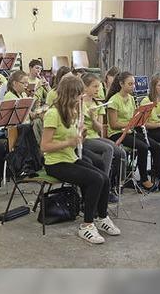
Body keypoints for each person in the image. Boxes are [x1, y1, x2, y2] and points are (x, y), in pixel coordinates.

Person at [41, 76, 119, 244]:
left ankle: (102, 217)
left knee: (104, 178)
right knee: (95, 180)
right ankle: (87, 225)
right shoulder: (53, 114)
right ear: (70, 94)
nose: (80, 98)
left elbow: (74, 141)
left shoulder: (72, 111)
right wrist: (70, 142)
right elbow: (45, 146)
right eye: (78, 95)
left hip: (70, 157)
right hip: (55, 163)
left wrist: (80, 137)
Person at [105, 71, 160, 193]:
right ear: (121, 84)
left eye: (134, 83)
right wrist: (133, 122)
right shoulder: (114, 100)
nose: (133, 86)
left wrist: (138, 119)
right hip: (117, 133)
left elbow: (135, 117)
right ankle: (144, 179)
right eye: (130, 84)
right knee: (143, 147)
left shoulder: (131, 98)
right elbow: (114, 124)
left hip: (130, 131)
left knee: (154, 145)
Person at [80, 73, 124, 201]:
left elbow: (99, 128)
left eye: (98, 87)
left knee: (120, 152)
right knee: (108, 149)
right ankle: (103, 186)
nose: (98, 90)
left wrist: (93, 118)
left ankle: (115, 185)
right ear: (85, 87)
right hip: (84, 138)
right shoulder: (78, 103)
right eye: (95, 87)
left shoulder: (97, 104)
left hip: (95, 136)